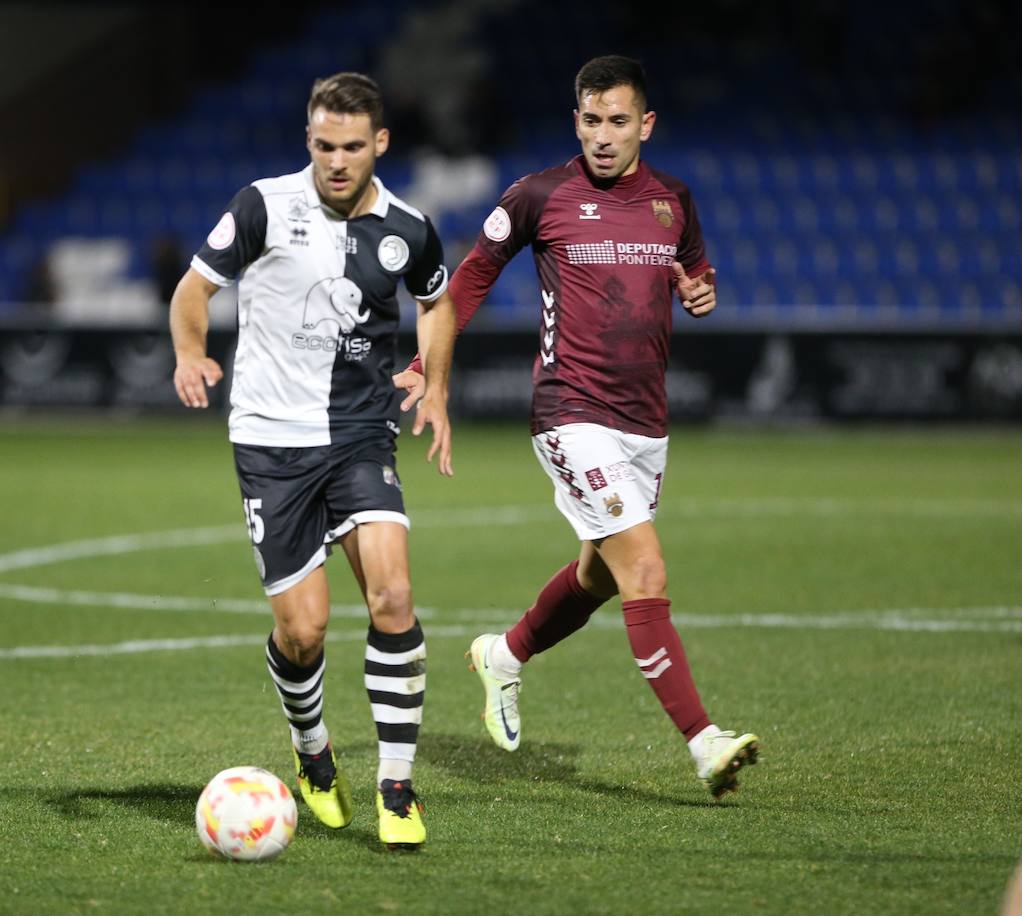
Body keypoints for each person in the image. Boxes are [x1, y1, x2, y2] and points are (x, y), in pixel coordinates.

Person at [396, 55, 759, 799]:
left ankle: (505, 653)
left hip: (643, 423)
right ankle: (703, 742)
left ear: (645, 125)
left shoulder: (674, 201)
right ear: (576, 122)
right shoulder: (540, 195)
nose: (603, 135)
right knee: (647, 571)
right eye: (591, 121)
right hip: (570, 411)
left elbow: (696, 272)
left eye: (618, 121)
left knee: (601, 573)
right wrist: (429, 370)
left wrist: (701, 294)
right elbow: (467, 282)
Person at [169, 72, 457, 847]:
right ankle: (313, 753)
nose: (337, 161)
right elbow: (193, 290)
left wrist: (434, 380)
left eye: (353, 147)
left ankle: (397, 790)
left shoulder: (406, 224)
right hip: (270, 442)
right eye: (325, 145)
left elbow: (437, 298)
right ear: (309, 140)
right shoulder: (262, 206)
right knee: (304, 632)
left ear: (380, 144)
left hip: (360, 433)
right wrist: (190, 353)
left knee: (392, 596)